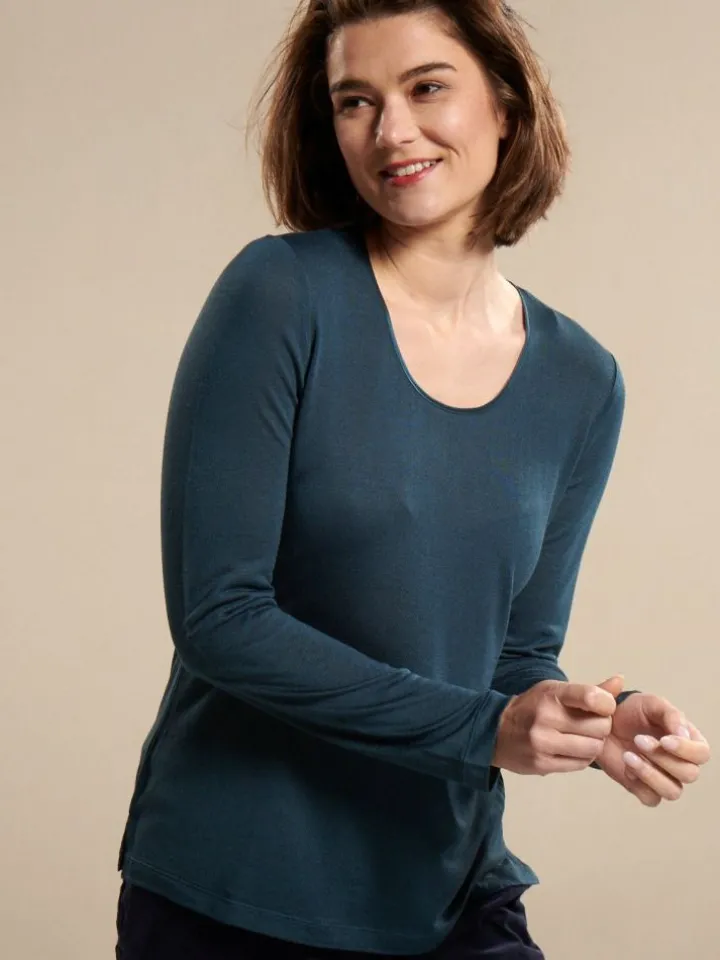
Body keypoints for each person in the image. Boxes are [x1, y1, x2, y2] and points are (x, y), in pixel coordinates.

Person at [115, 2, 711, 957]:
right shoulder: (280, 295)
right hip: (240, 894)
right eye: (356, 101)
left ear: (505, 105)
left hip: (449, 883)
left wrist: (585, 724)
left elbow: (514, 654)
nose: (392, 131)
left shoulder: (581, 380)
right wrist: (485, 727)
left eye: (427, 87)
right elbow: (221, 617)